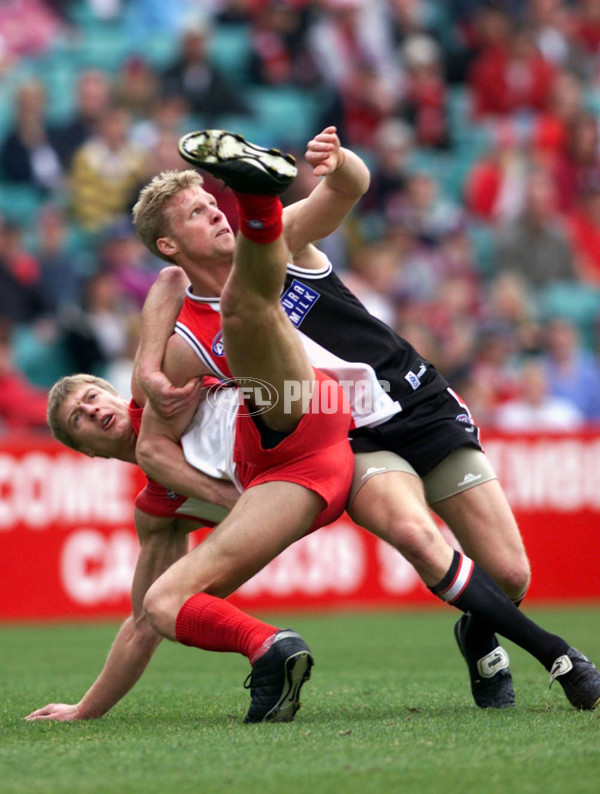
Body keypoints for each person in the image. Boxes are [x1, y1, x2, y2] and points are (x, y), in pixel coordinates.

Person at [131, 126, 600, 712]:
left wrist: (340, 159)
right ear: (170, 247)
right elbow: (149, 424)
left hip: (416, 404)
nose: (216, 216)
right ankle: (561, 657)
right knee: (417, 536)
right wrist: (151, 368)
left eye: (213, 202)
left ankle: (478, 632)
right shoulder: (188, 338)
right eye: (197, 215)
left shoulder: (281, 241)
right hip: (350, 438)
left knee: (509, 576)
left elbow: (350, 188)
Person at [27, 137, 356, 725]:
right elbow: (139, 624)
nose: (95, 410)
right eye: (80, 418)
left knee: (425, 530)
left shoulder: (161, 392)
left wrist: (146, 370)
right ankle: (269, 647)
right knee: (162, 604)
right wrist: (85, 710)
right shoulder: (158, 509)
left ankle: (260, 195)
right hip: (297, 474)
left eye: (93, 396)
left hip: (309, 415)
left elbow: (169, 282)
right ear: (89, 453)